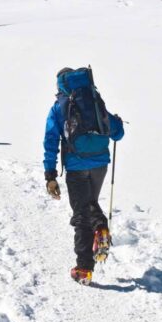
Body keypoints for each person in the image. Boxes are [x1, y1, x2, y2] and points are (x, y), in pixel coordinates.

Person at [43, 67, 124, 285]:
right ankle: (86, 265)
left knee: (82, 214)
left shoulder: (59, 107)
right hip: (100, 163)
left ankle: (97, 234)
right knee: (88, 206)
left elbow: (50, 141)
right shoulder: (94, 100)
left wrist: (50, 175)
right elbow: (118, 133)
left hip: (77, 166)